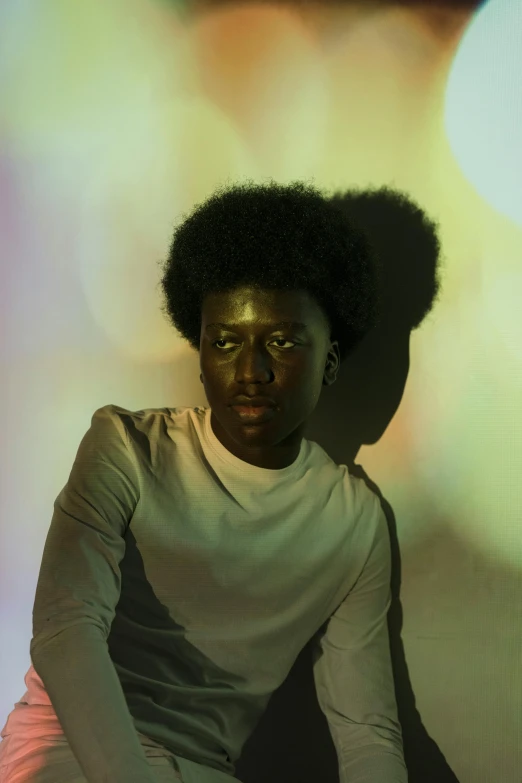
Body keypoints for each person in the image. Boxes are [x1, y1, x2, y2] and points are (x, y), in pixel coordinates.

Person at [0, 180, 410, 783]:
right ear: (199, 352)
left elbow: (366, 729)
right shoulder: (126, 449)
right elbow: (65, 630)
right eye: (224, 342)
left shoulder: (352, 522)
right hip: (66, 751)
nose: (251, 371)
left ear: (329, 359)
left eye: (281, 341)